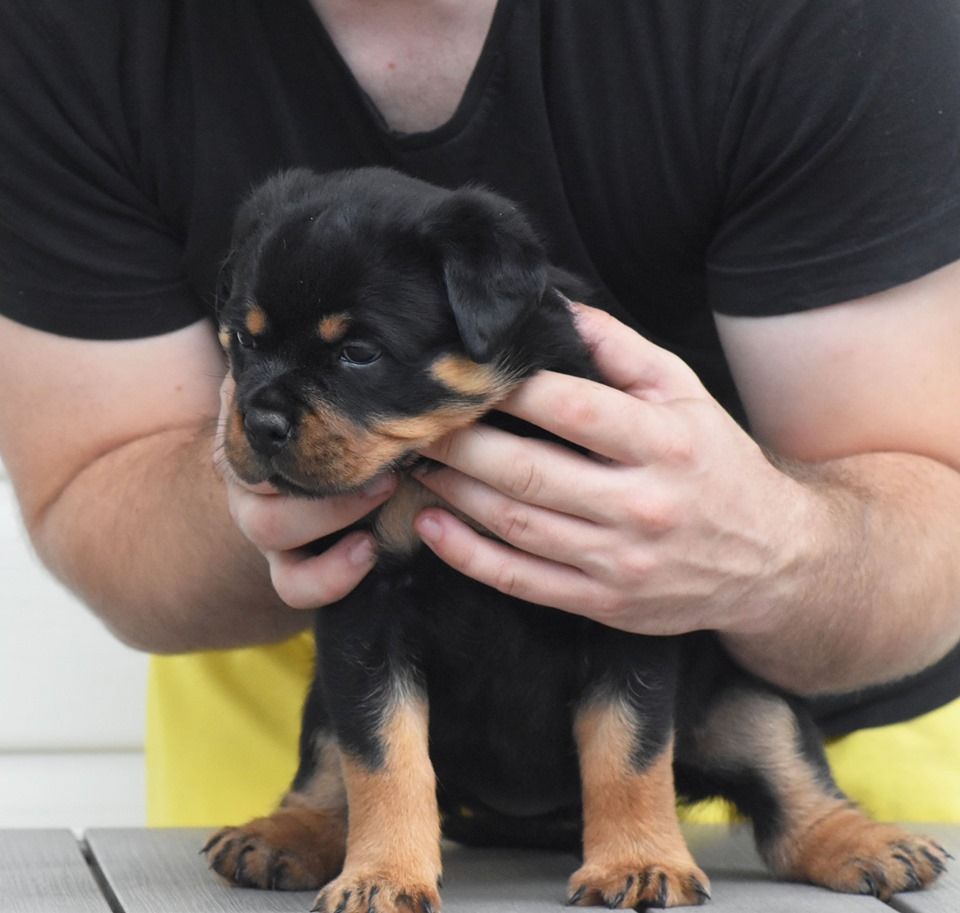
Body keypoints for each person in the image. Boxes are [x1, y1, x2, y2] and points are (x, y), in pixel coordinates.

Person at [1, 0, 959, 828]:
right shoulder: (73, 32)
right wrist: (304, 476)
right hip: (319, 750)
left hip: (798, 730)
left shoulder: (823, 22)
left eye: (355, 351)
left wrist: (772, 551)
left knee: (826, 818)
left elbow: (933, 500)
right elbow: (93, 486)